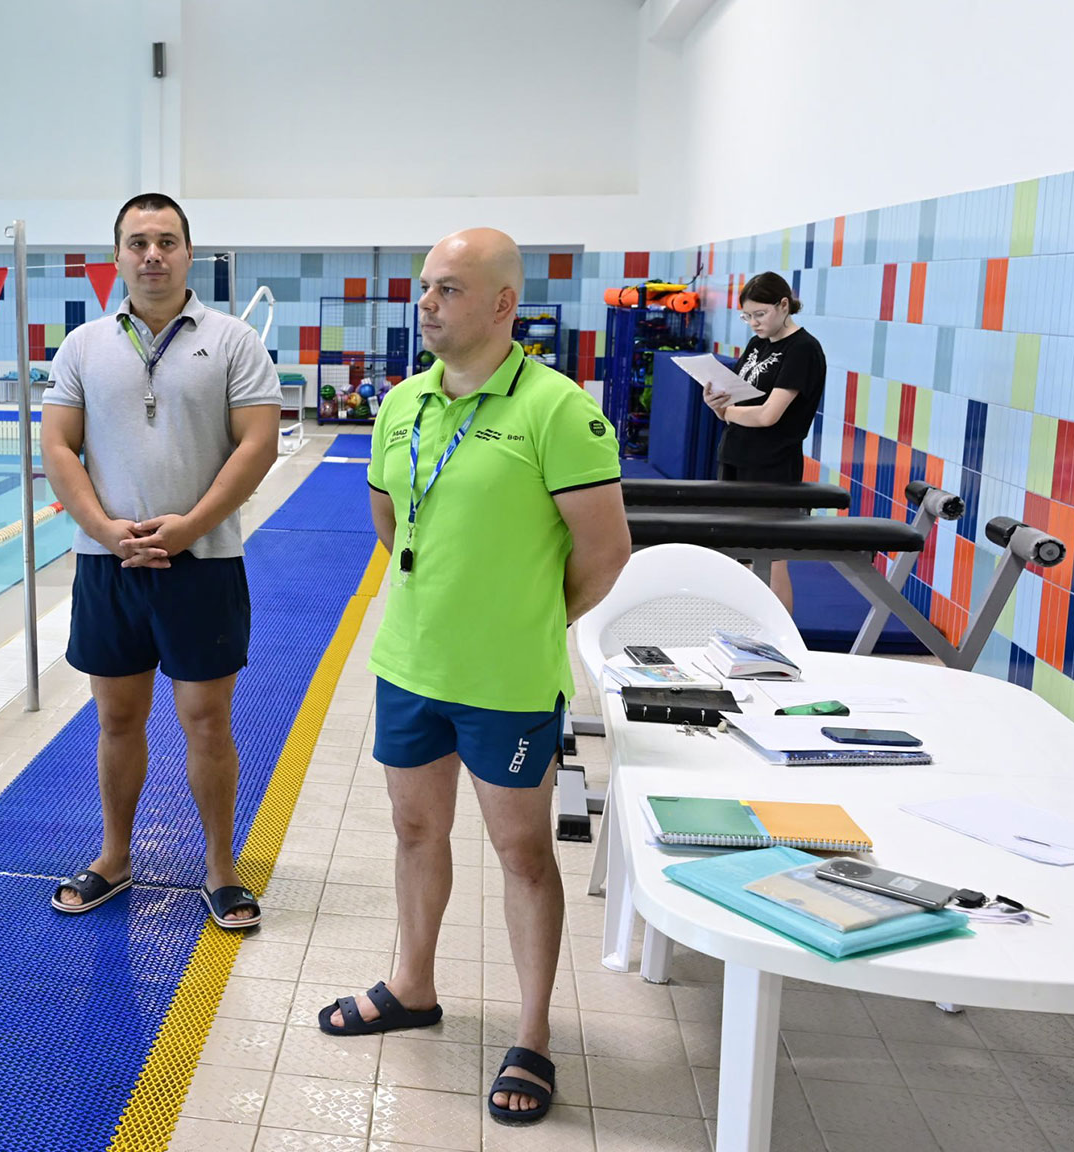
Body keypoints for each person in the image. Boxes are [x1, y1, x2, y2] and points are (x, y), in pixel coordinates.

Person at [317, 228, 631, 1127]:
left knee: (523, 853)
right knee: (416, 829)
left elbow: (606, 553)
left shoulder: (557, 409)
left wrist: (526, 619)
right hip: (410, 665)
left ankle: (532, 1032)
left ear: (502, 304)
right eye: (424, 286)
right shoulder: (401, 403)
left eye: (448, 288)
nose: (426, 303)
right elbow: (390, 521)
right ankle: (412, 984)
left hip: (509, 683)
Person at [39, 193, 282, 930]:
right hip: (107, 565)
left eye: (167, 241)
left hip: (202, 562)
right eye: (138, 242)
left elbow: (258, 444)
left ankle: (221, 869)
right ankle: (115, 857)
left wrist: (189, 528)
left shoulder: (234, 341)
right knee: (117, 719)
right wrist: (106, 531)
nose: (153, 255)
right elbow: (58, 446)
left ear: (188, 253)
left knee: (206, 721)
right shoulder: (82, 346)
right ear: (117, 256)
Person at [705, 270, 827, 609]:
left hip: (773, 465)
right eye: (747, 316)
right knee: (739, 555)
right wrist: (716, 403)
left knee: (772, 558)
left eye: (760, 314)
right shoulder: (758, 343)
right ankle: (743, 629)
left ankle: (780, 635)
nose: (754, 323)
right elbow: (735, 399)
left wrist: (727, 412)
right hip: (736, 455)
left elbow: (768, 415)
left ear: (784, 305)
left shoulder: (803, 349)